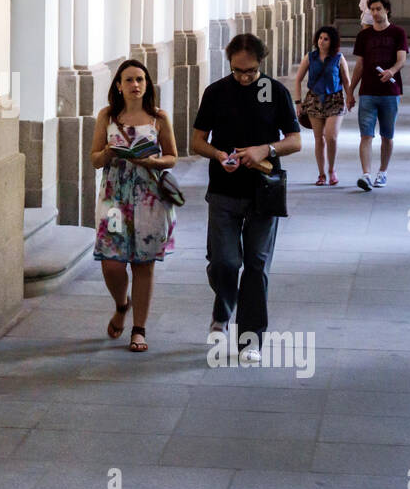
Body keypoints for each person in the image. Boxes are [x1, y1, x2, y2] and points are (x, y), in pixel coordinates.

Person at [191, 34, 302, 362]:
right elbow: (196, 142)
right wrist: (217, 154)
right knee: (225, 262)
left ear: (260, 64)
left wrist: (264, 149)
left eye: (250, 71)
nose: (243, 77)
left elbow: (295, 141)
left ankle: (250, 338)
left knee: (256, 265)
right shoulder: (216, 93)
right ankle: (223, 312)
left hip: (263, 192)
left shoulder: (275, 92)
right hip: (224, 191)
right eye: (237, 71)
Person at [90, 60, 178, 352]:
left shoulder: (158, 118)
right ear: (118, 85)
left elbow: (172, 157)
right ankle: (121, 304)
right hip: (114, 198)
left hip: (149, 196)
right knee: (111, 263)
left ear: (147, 84)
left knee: (144, 264)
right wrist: (108, 151)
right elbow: (94, 159)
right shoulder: (107, 116)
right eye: (129, 80)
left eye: (140, 79)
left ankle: (139, 329)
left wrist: (152, 161)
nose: (135, 85)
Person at [349, 0, 408, 190]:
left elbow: (401, 58)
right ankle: (366, 174)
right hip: (368, 91)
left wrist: (391, 70)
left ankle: (382, 172)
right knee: (366, 135)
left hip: (390, 92)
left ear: (387, 9)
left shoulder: (397, 33)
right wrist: (350, 91)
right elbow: (360, 65)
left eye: (378, 9)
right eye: (371, 10)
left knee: (387, 135)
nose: (374, 13)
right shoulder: (364, 36)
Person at [293, 25, 354, 185]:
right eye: (320, 38)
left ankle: (332, 170)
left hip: (335, 100)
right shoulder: (310, 57)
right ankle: (321, 174)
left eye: (326, 39)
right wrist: (298, 102)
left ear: (332, 41)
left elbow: (346, 81)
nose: (322, 41)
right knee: (319, 138)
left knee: (331, 136)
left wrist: (350, 97)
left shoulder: (339, 58)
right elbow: (298, 79)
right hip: (314, 100)